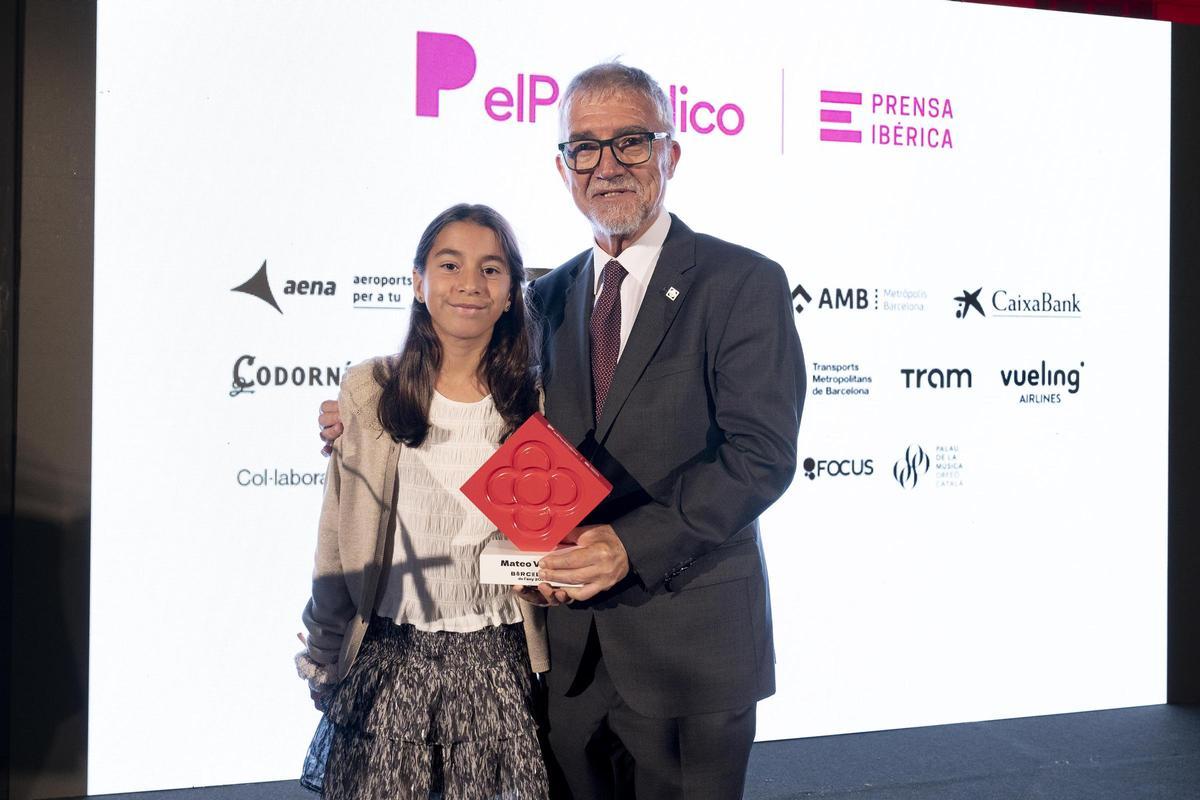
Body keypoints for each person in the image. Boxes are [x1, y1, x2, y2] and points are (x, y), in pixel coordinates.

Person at [320, 63, 805, 800]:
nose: (607, 165)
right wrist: (358, 413)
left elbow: (760, 457)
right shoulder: (545, 299)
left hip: (689, 652)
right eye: (584, 147)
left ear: (671, 155)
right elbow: (466, 389)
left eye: (632, 143)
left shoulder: (741, 283)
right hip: (565, 660)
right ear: (562, 167)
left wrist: (628, 546)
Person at [297, 203, 550, 799]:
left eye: (491, 269)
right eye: (449, 264)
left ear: (513, 291)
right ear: (417, 281)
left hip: (500, 660)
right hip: (390, 655)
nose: (469, 284)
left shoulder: (537, 401)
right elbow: (339, 535)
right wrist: (324, 647)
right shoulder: (369, 389)